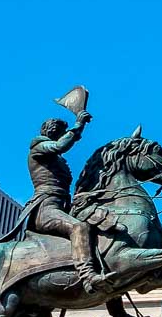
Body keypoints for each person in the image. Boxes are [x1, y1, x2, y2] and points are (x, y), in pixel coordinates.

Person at [20, 112, 113, 295]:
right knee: (79, 227)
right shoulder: (38, 147)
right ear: (49, 130)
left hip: (63, 206)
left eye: (63, 131)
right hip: (45, 207)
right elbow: (60, 146)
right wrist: (78, 125)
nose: (62, 133)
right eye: (60, 130)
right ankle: (88, 275)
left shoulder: (55, 158)